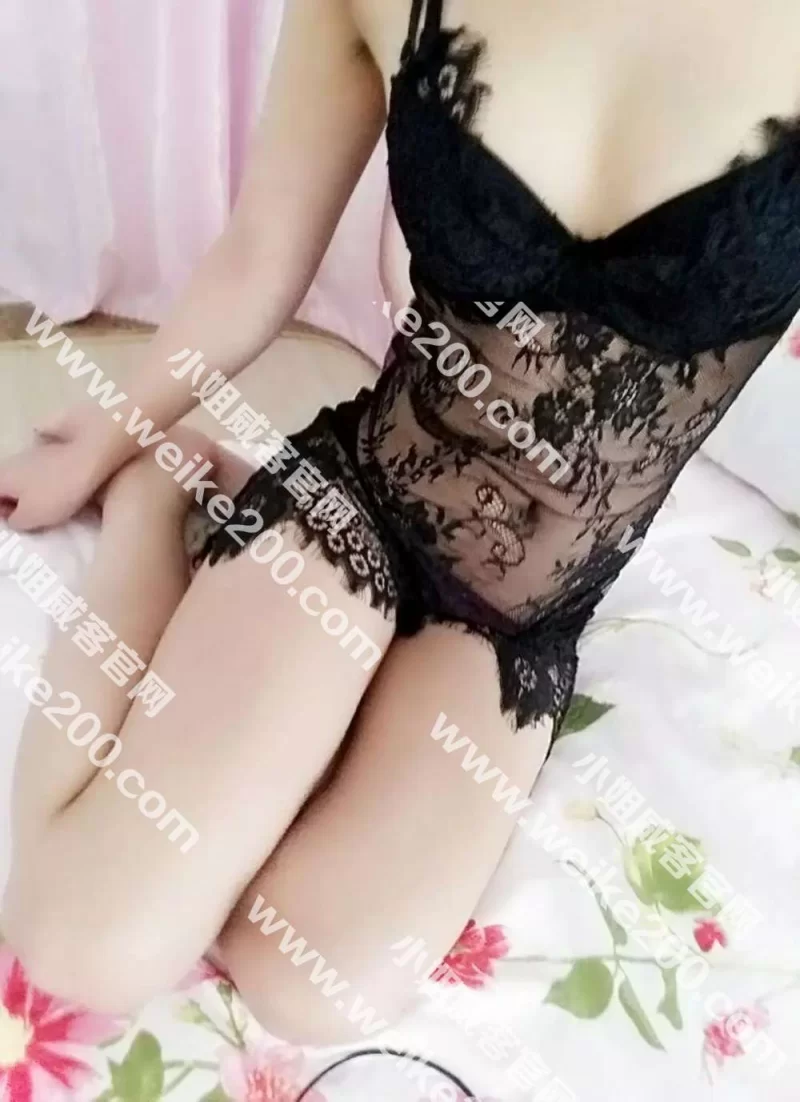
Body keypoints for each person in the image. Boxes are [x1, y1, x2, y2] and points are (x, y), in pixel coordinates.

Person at [3, 0, 800, 1047]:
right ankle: (160, 502)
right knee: (87, 946)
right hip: (364, 498)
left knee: (306, 982)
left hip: (518, 618)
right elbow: (261, 251)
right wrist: (110, 438)